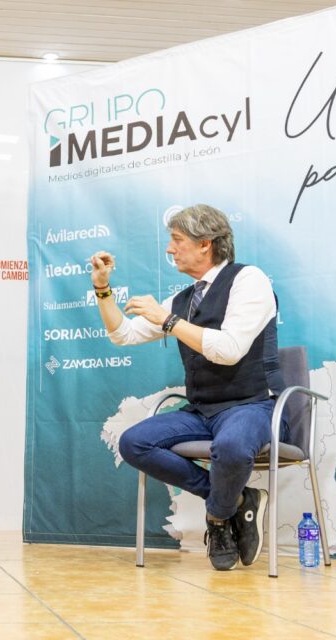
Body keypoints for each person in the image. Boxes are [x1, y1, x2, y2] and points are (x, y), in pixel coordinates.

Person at [90, 204, 286, 571]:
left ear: (205, 244)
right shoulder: (183, 300)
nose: (170, 249)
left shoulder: (249, 280)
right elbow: (123, 335)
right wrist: (102, 290)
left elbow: (229, 350)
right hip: (202, 411)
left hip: (253, 405)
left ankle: (217, 521)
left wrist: (169, 321)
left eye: (177, 240)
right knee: (134, 443)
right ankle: (235, 500)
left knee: (231, 446)